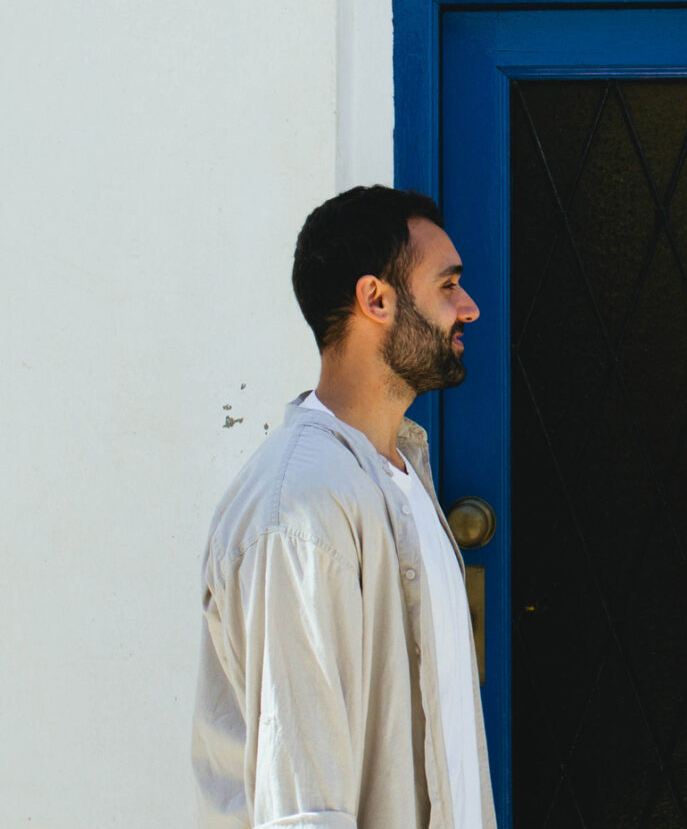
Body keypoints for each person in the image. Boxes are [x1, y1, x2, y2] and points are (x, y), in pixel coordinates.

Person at [193, 185, 492, 829]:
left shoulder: (401, 477)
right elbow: (301, 803)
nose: (468, 308)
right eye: (447, 285)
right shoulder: (301, 509)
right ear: (375, 300)